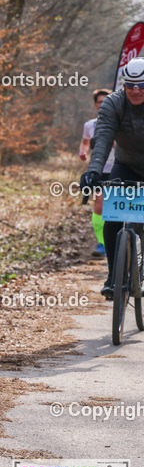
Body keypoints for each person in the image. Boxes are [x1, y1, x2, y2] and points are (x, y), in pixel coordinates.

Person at [82, 58, 144, 298]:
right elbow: (104, 139)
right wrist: (94, 171)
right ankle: (113, 276)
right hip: (125, 165)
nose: (136, 90)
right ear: (124, 85)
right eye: (131, 85)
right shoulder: (113, 102)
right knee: (113, 217)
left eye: (142, 85)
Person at [79, 89, 114, 256]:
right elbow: (85, 142)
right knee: (99, 206)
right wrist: (83, 151)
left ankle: (125, 239)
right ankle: (102, 243)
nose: (103, 105)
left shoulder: (119, 122)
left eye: (106, 101)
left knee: (117, 205)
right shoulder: (90, 125)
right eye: (100, 102)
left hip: (120, 168)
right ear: (95, 105)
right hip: (99, 170)